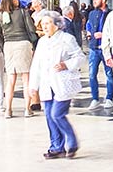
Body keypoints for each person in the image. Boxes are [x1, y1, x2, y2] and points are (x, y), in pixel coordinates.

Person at [29, 10, 85, 159]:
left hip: (62, 83)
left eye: (48, 23)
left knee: (57, 114)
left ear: (57, 24)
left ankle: (72, 142)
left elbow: (80, 57)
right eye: (43, 23)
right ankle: (56, 147)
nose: (45, 26)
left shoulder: (66, 39)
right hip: (47, 84)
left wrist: (66, 64)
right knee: (49, 116)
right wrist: (33, 86)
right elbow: (36, 65)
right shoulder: (42, 42)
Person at [0, 0, 36, 118]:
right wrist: (34, 43)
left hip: (9, 46)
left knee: (11, 80)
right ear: (13, 0)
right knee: (26, 78)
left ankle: (8, 109)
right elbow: (31, 29)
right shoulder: (23, 12)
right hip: (23, 44)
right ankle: (27, 109)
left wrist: (4, 46)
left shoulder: (1, 15)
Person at [85, 0, 113, 111]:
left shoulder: (110, 14)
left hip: (106, 48)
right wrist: (89, 33)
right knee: (92, 74)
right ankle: (95, 98)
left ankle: (109, 98)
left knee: (109, 74)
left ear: (103, 0)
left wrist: (103, 34)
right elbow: (88, 25)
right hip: (94, 48)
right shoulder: (92, 13)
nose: (94, 1)